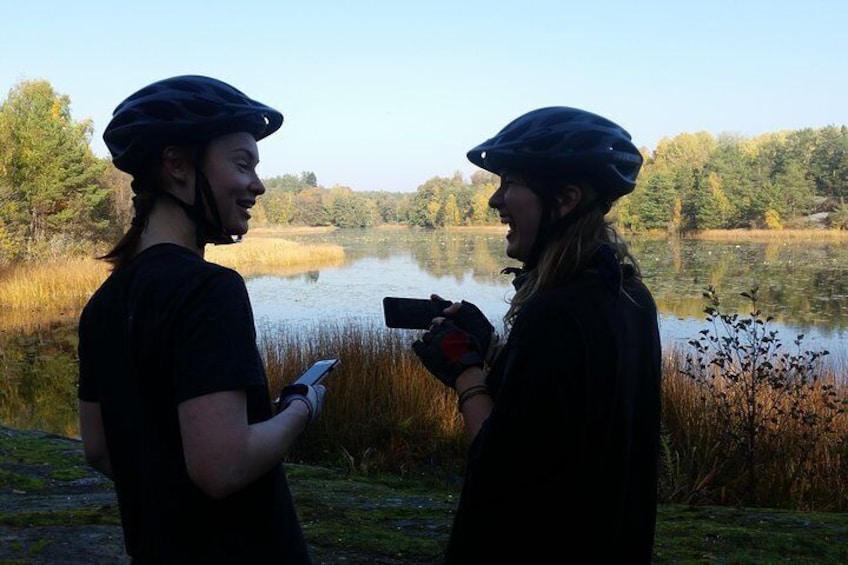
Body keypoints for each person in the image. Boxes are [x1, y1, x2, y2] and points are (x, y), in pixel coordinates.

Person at [77, 75, 324, 564]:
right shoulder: (210, 290)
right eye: (242, 164)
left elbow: (100, 450)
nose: (258, 184)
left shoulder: (103, 302)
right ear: (177, 166)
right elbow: (222, 466)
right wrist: (302, 407)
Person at [411, 107, 662, 563]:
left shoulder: (558, 312)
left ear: (564, 199)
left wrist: (465, 372)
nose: (495, 201)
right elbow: (564, 409)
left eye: (509, 184)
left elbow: (497, 466)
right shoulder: (630, 296)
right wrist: (490, 347)